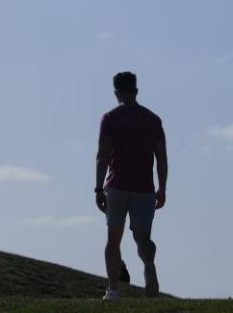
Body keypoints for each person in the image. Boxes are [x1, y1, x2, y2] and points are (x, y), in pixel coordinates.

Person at [95, 71, 167, 301]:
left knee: (113, 239)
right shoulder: (153, 119)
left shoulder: (110, 118)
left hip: (116, 185)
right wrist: (162, 188)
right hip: (144, 188)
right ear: (136, 91)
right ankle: (149, 264)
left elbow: (103, 155)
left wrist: (98, 187)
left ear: (116, 92)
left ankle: (113, 289)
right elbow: (162, 158)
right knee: (143, 238)